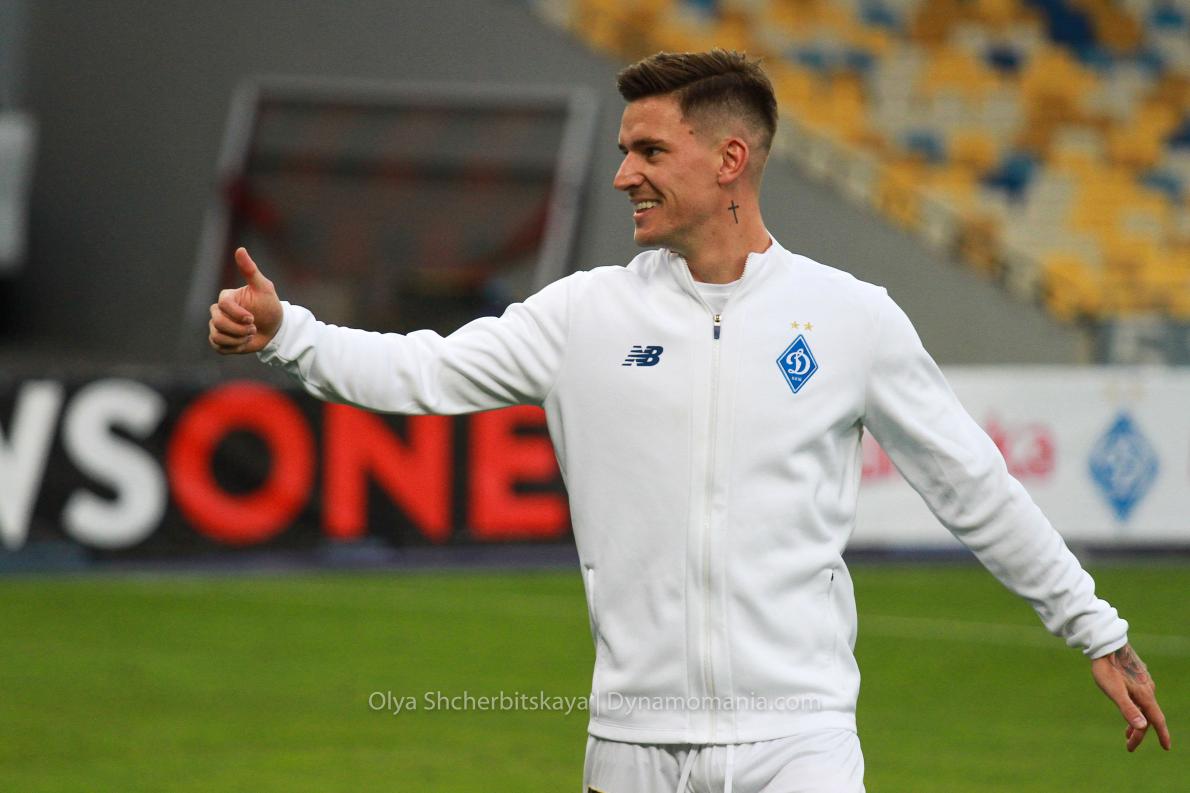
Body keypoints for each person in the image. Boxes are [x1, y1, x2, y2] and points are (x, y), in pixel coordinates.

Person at [208, 50, 1170, 793]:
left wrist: (1095, 627)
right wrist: (289, 332)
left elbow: (973, 483)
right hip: (632, 744)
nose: (623, 174)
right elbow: (419, 370)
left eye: (649, 151)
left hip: (800, 739)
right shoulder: (582, 315)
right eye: (624, 151)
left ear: (730, 160)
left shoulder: (852, 317)